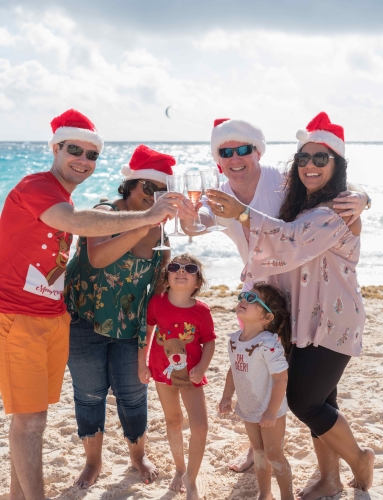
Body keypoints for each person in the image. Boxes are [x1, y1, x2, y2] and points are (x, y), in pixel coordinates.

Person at [0, 109, 183, 500]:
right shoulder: (38, 187)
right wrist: (148, 217)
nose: (83, 160)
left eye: (92, 155)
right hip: (20, 316)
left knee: (33, 420)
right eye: (74, 150)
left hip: (54, 316)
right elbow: (78, 224)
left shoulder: (62, 194)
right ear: (55, 148)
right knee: (31, 422)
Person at [179, 116, 371, 473]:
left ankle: (359, 461)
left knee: (305, 399)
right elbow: (202, 218)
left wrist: (362, 196)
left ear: (258, 151)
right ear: (217, 159)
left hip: (328, 315)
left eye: (243, 149)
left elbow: (293, 238)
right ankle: (327, 477)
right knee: (313, 394)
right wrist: (189, 222)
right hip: (287, 304)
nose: (309, 167)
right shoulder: (295, 195)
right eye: (303, 159)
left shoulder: (318, 201)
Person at [64, 144, 176, 489]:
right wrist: (143, 225)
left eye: (163, 191)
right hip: (83, 319)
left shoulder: (162, 235)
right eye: (149, 187)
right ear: (130, 185)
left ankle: (138, 456)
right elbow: (98, 257)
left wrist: (149, 344)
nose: (155, 196)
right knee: (89, 394)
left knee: (132, 393)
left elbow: (157, 295)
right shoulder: (103, 211)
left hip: (129, 327)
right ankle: (93, 462)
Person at [140, 253, 216, 500]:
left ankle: (191, 478)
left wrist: (202, 368)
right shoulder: (157, 303)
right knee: (173, 420)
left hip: (191, 376)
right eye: (175, 267)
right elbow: (147, 335)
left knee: (200, 426)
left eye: (189, 268)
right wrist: (143, 364)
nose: (181, 271)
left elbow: (209, 342)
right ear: (168, 276)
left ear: (197, 282)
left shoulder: (202, 311)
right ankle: (180, 469)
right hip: (162, 373)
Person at [219, 283, 293, 500]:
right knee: (259, 453)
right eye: (244, 296)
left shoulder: (268, 344)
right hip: (248, 407)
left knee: (274, 454)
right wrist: (226, 396)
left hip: (271, 409)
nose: (243, 299)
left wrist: (271, 412)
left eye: (252, 299)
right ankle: (265, 493)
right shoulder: (234, 340)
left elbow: (281, 378)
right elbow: (233, 369)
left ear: (267, 317)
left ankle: (287, 496)